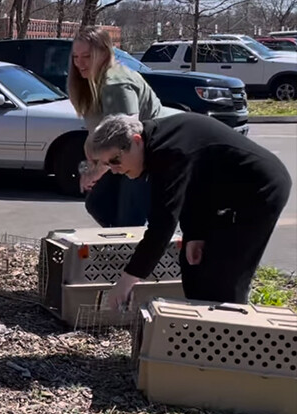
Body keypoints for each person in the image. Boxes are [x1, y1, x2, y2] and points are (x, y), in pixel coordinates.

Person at [83, 113, 291, 308]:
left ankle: (231, 333)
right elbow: (193, 191)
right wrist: (195, 236)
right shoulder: (157, 145)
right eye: (106, 165)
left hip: (260, 190)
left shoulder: (169, 151)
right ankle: (200, 327)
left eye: (115, 160)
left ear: (136, 140)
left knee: (227, 273)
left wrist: (128, 278)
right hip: (221, 195)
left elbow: (162, 224)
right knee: (193, 266)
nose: (115, 170)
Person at [67, 26, 180, 227]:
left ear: (104, 53)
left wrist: (96, 171)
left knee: (129, 220)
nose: (79, 63)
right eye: (75, 57)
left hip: (146, 155)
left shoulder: (115, 84)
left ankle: (135, 249)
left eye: (86, 56)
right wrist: (88, 167)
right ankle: (122, 246)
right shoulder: (91, 83)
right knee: (97, 203)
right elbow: (98, 134)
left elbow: (124, 138)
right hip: (122, 154)